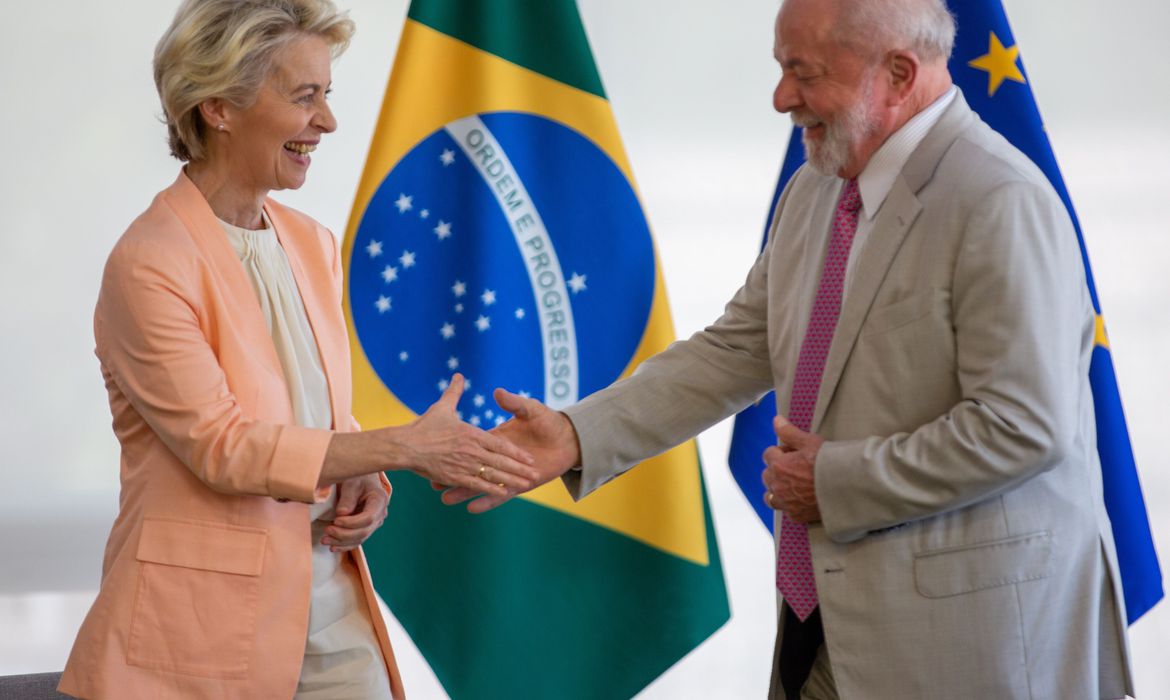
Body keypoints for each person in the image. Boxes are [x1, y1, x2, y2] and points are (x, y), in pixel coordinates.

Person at [440, 0, 1134, 697]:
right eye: (781, 68)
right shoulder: (815, 189)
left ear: (897, 73)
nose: (780, 98)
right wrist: (576, 435)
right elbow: (736, 348)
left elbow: (1022, 425)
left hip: (966, 642)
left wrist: (832, 482)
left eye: (803, 73)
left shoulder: (999, 199)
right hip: (826, 629)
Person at [59, 1, 536, 698]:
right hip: (199, 629)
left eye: (327, 96)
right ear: (219, 106)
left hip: (329, 607)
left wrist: (363, 479)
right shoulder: (148, 263)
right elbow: (226, 448)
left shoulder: (312, 243)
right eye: (304, 97)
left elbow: (315, 421)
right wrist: (399, 447)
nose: (328, 122)